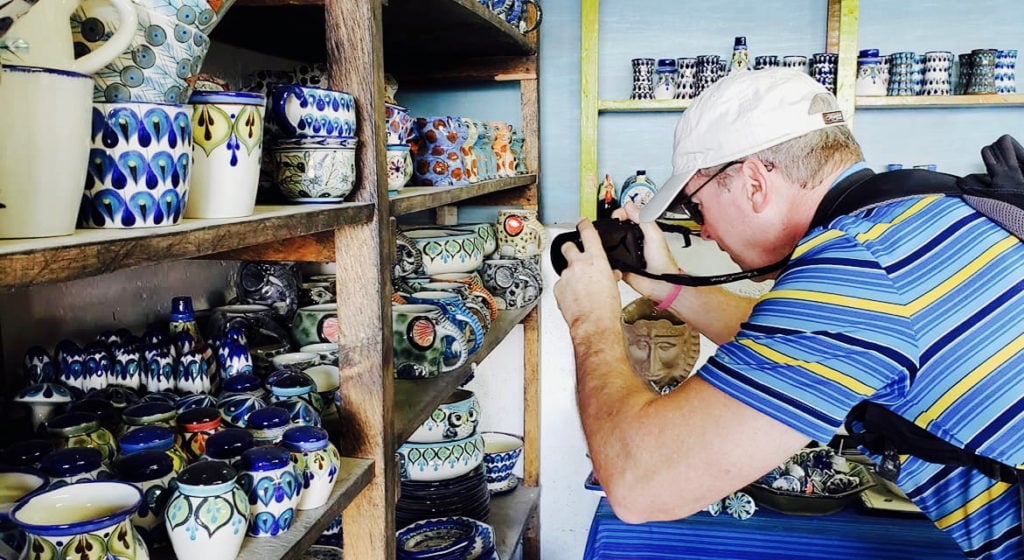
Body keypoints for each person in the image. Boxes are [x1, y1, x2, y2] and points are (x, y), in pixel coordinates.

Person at [554, 67, 1024, 559]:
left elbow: (640, 485)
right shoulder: (922, 211)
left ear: (754, 182)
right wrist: (671, 285)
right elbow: (804, 345)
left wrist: (591, 319)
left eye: (697, 207)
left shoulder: (858, 264)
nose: (706, 230)